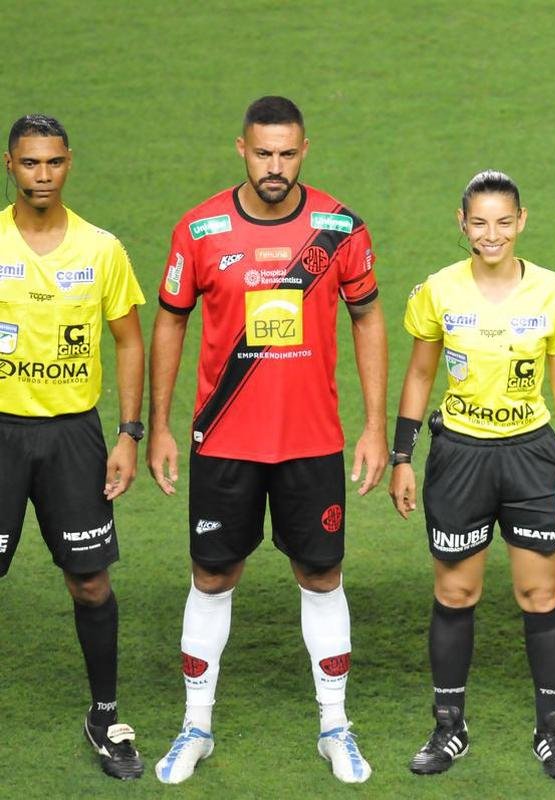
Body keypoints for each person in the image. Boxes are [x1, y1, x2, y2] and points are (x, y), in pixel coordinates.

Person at [147, 96, 387, 785]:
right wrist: (159, 425)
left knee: (320, 575)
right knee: (213, 575)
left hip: (311, 441)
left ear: (303, 150)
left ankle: (334, 725)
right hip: (223, 442)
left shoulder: (339, 229)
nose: (274, 167)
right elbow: (170, 322)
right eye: (262, 153)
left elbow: (367, 319)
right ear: (241, 150)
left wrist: (373, 426)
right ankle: (196, 725)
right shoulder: (201, 228)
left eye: (286, 153)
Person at [390, 170, 555, 780]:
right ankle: (450, 729)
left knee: (541, 595)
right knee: (455, 594)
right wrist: (403, 456)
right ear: (462, 223)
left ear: (521, 222)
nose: (492, 233)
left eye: (504, 221)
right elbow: (421, 376)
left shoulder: (552, 291)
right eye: (480, 222)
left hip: (531, 458)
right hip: (459, 459)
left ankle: (551, 733)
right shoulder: (438, 291)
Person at [0, 114, 146, 780]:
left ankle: (105, 716)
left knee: (89, 581)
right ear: (11, 166)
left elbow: (129, 340)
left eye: (53, 162)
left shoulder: (101, 249)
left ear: (69, 164)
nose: (42, 175)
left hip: (72, 436)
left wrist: (128, 432)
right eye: (30, 163)